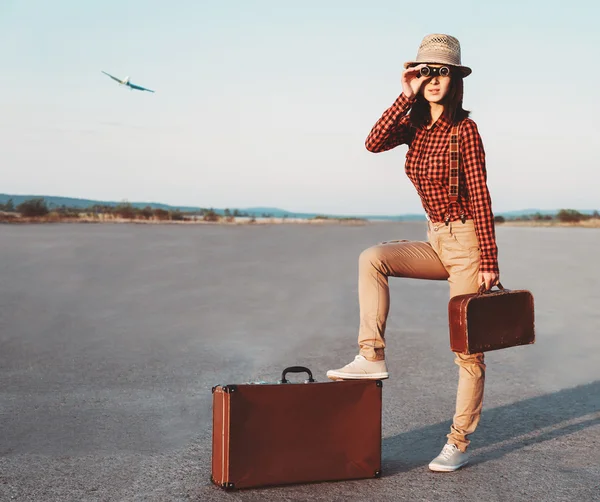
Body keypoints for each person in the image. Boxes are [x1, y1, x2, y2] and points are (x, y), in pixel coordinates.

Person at [326, 33, 500, 472]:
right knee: (373, 257)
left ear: (455, 78)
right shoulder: (415, 125)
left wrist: (490, 262)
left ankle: (457, 442)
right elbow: (372, 141)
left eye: (442, 72)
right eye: (426, 72)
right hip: (435, 239)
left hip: (466, 246)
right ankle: (371, 355)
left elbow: (480, 195)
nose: (434, 79)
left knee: (467, 350)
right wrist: (402, 95)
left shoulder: (465, 129)